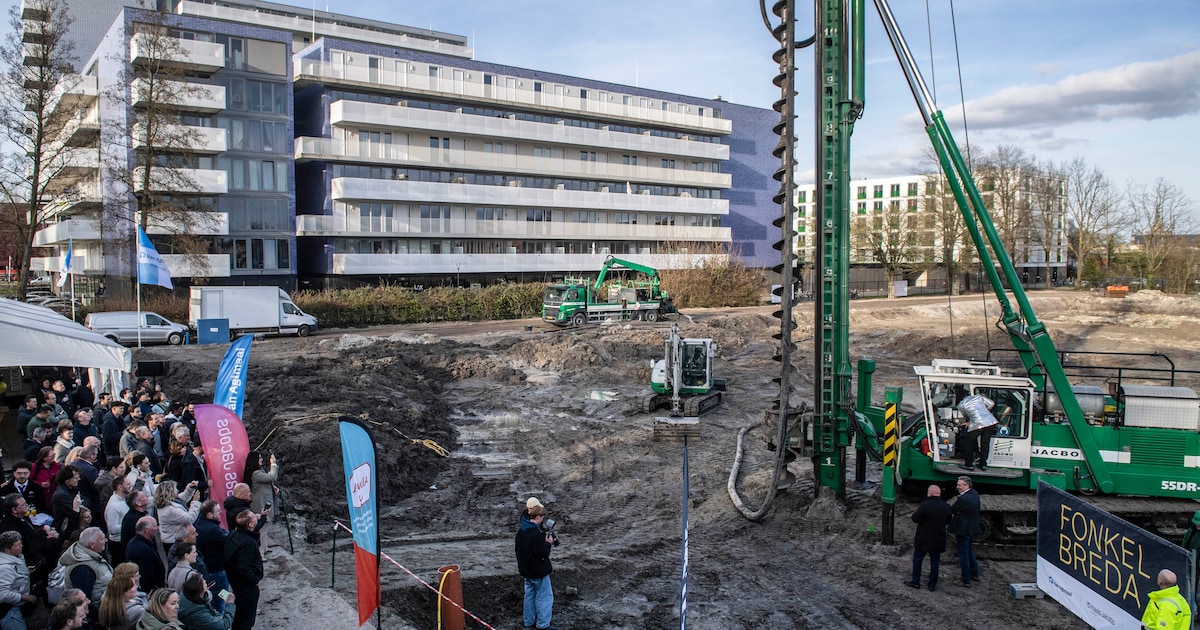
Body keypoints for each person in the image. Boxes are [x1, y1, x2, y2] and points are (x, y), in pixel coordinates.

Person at [515, 500, 555, 630]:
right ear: (537, 517)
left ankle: (528, 622)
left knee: (530, 597)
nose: (542, 521)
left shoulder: (522, 531)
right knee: (544, 598)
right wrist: (548, 543)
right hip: (538, 572)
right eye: (542, 518)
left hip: (526, 571)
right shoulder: (535, 534)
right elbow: (543, 553)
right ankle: (543, 625)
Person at [904, 484, 953, 591]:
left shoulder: (925, 505)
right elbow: (949, 521)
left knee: (918, 560)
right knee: (935, 562)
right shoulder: (947, 507)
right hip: (938, 539)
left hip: (923, 539)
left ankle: (915, 581)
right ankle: (932, 585)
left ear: (930, 493)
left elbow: (915, 519)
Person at [58, 526, 112, 620]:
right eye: (102, 539)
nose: (106, 540)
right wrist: (100, 617)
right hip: (98, 615)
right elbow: (82, 600)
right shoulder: (82, 569)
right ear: (92, 544)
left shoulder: (90, 556)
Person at [223, 511, 262, 630]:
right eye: (253, 517)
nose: (256, 517)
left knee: (239, 615)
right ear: (250, 525)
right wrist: (254, 580)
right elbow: (243, 567)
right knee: (246, 619)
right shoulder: (248, 543)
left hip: (235, 582)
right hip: (245, 586)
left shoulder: (234, 535)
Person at [193, 502, 229, 615]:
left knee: (215, 595)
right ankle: (220, 616)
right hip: (217, 570)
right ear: (209, 514)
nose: (221, 512)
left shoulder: (199, 523)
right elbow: (227, 539)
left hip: (208, 568)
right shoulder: (213, 530)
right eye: (218, 511)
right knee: (221, 595)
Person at [0, 530, 36, 630]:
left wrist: (25, 571)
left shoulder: (16, 559)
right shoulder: (4, 567)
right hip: (10, 612)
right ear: (7, 550)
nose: (21, 546)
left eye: (21, 543)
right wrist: (23, 597)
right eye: (17, 545)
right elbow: (2, 593)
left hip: (17, 610)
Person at [949, 475, 981, 587]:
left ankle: (965, 580)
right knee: (969, 550)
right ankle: (974, 573)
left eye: (960, 485)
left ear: (967, 485)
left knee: (963, 554)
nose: (957, 487)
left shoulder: (963, 499)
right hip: (971, 527)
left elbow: (952, 509)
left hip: (963, 529)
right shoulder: (974, 494)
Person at [152, 482, 199, 554]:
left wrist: (190, 489)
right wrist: (195, 502)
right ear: (169, 492)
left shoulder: (168, 502)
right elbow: (189, 518)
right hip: (173, 541)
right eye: (175, 489)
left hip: (173, 539)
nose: (177, 491)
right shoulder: (170, 510)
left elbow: (183, 498)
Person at [243, 452, 278, 554]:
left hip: (264, 501)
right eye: (259, 458)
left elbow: (268, 480)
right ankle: (261, 552)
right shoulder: (256, 474)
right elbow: (272, 477)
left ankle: (265, 546)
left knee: (266, 526)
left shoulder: (258, 472)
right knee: (262, 527)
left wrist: (273, 487)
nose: (261, 460)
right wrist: (273, 464)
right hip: (260, 503)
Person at [97, 565, 144, 630]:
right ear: (124, 591)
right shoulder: (137, 610)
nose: (136, 587)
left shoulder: (111, 603)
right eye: (133, 586)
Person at [125, 517, 165, 592]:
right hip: (151, 591)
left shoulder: (133, 543)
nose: (157, 528)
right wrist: (158, 588)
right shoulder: (143, 549)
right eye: (155, 526)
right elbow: (147, 575)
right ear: (146, 530)